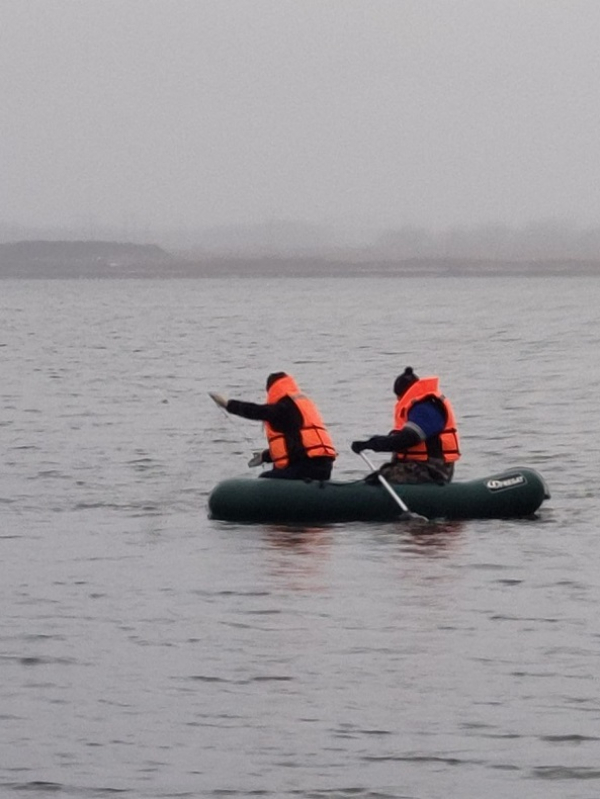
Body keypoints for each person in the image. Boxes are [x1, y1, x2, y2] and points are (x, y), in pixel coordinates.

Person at [209, 372, 337, 480]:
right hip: (324, 467)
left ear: (272, 389)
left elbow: (257, 411)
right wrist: (264, 457)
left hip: (305, 468)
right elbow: (296, 445)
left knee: (265, 479)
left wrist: (228, 405)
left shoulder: (283, 408)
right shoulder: (300, 405)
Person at [351, 366, 460, 484]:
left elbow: (407, 439)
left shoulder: (427, 407)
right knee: (380, 475)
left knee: (382, 478)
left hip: (433, 470)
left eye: (398, 396)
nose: (398, 400)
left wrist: (372, 444)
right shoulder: (419, 406)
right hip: (416, 466)